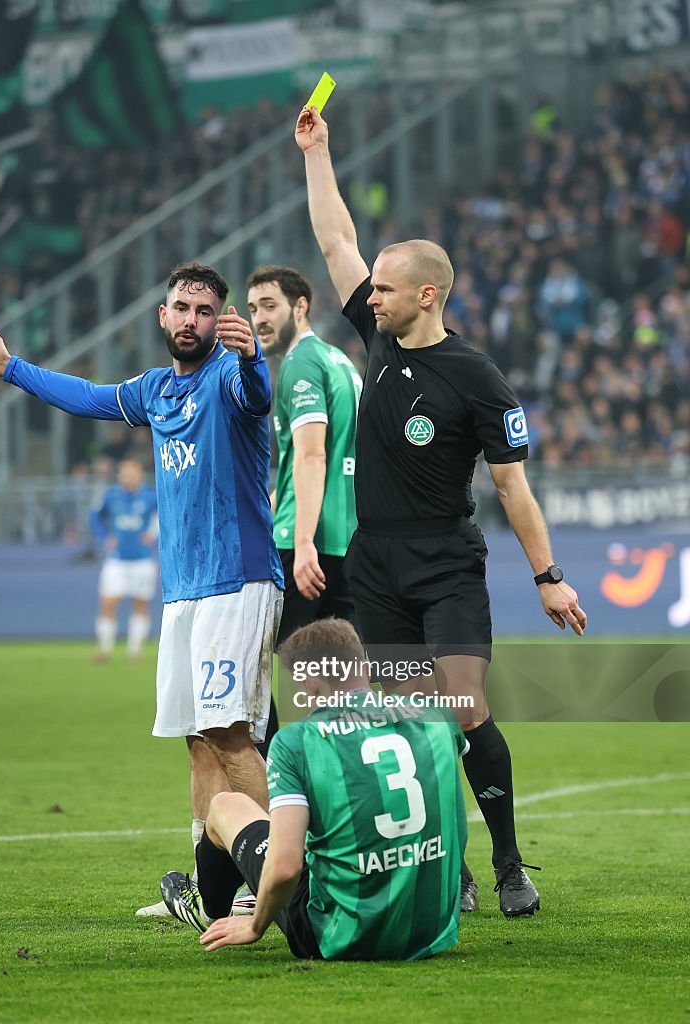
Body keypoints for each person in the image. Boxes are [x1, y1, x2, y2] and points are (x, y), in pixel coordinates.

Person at [294, 105, 588, 917]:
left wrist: (549, 577)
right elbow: (335, 242)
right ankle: (446, 867)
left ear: (427, 294)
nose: (368, 297)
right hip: (376, 564)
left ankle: (509, 864)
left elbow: (512, 488)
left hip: (447, 564)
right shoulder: (380, 343)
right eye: (371, 289)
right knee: (404, 721)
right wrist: (318, 154)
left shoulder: (478, 379)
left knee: (461, 709)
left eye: (384, 289)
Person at [0, 262, 285, 907]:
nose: (192, 320)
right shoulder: (156, 390)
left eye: (205, 311)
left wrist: (252, 360)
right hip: (184, 590)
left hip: (236, 581)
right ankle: (211, 886)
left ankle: (273, 881)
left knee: (233, 735)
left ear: (221, 322)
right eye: (181, 309)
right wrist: (13, 368)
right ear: (163, 316)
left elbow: (256, 395)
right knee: (197, 743)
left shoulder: (229, 376)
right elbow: (91, 397)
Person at [160, 617, 468, 961]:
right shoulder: (438, 716)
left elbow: (287, 866)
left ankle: (209, 911)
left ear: (306, 681)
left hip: (337, 936)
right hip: (432, 929)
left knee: (225, 807)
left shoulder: (297, 741)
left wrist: (256, 926)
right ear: (365, 665)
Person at [246, 264, 361, 760]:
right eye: (252, 309)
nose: (258, 319)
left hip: (305, 540)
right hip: (350, 537)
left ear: (300, 306)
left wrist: (305, 540)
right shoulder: (341, 362)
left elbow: (313, 455)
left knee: (251, 665)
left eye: (269, 306)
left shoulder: (299, 366)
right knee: (339, 672)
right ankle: (352, 770)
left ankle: (277, 780)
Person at [89, 458, 158, 663]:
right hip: (116, 559)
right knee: (108, 602)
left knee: (141, 603)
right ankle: (105, 649)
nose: (126, 477)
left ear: (139, 475)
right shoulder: (111, 496)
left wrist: (153, 537)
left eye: (130, 473)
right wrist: (105, 537)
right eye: (123, 473)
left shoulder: (150, 496)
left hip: (143, 559)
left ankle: (134, 651)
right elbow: (95, 518)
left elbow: (164, 517)